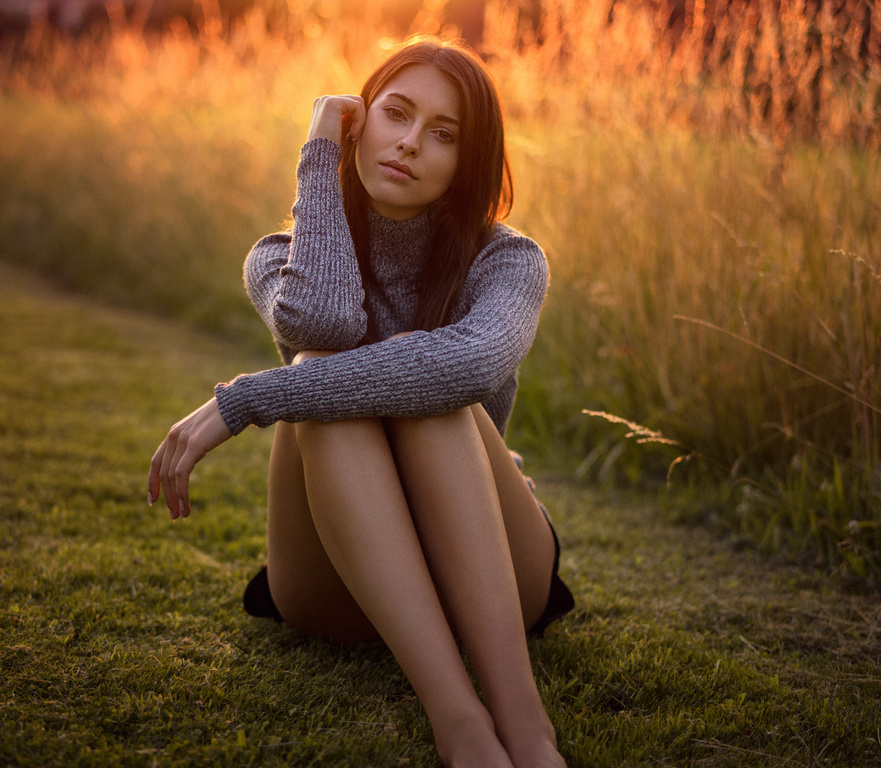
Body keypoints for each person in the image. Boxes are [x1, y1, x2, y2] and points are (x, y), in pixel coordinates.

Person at [147, 36, 573, 768]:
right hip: (339, 588)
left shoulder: (509, 260)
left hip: (494, 573)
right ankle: (460, 727)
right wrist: (318, 155)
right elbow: (323, 324)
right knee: (326, 369)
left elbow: (469, 363)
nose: (410, 143)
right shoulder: (277, 256)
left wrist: (250, 398)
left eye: (443, 135)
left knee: (432, 396)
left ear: (468, 162)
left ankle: (527, 730)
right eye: (396, 114)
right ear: (358, 122)